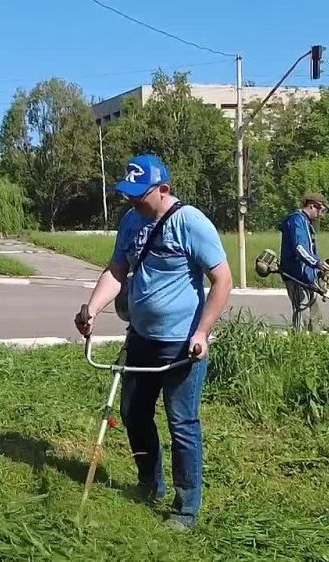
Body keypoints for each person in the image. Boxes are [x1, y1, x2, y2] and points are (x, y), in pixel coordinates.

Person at [74, 154, 232, 531]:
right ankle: (150, 484)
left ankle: (186, 507)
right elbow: (117, 270)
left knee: (182, 423)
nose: (132, 202)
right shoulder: (131, 221)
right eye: (127, 194)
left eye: (139, 195)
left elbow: (222, 280)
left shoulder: (189, 223)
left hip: (180, 346)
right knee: (133, 413)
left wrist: (202, 333)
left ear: (163, 189)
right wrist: (93, 308)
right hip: (141, 339)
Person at [279, 192, 329, 332]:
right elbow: (299, 248)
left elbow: (310, 250)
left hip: (308, 277)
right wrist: (317, 263)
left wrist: (319, 272)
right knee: (301, 310)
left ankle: (315, 344)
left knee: (315, 314)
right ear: (313, 206)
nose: (322, 215)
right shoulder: (296, 220)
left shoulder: (306, 223)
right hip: (296, 275)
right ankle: (299, 343)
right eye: (323, 211)